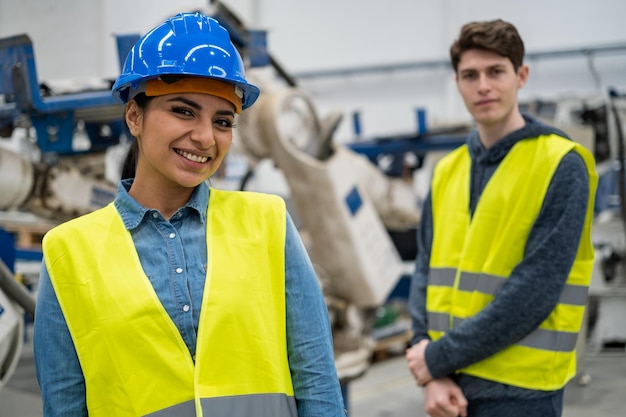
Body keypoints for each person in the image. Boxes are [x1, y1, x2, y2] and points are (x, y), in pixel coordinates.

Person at [33, 12, 346, 417]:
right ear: (134, 116)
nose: (205, 137)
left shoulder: (267, 222)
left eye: (222, 121)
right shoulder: (68, 252)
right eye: (183, 111)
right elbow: (64, 404)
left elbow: (316, 379)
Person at [405, 19, 597, 417]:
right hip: (447, 388)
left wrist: (435, 359)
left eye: (496, 72)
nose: (483, 86)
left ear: (521, 76)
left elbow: (534, 293)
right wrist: (431, 370)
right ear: (456, 82)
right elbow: (423, 275)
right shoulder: (446, 170)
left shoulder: (562, 164)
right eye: (469, 75)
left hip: (520, 393)